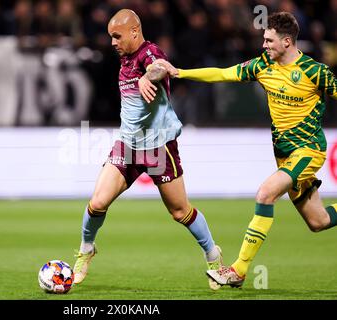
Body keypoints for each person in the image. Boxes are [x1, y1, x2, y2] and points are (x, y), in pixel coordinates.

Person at [144, 12, 337, 288]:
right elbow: (222, 73)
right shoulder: (262, 67)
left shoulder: (316, 72)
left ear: (286, 42)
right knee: (318, 221)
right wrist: (180, 72)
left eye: (269, 40)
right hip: (284, 156)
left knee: (265, 194)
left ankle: (238, 270)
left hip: (308, 151)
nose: (264, 45)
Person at [73, 8, 223, 290]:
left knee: (180, 212)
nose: (113, 42)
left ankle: (213, 255)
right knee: (97, 203)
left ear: (134, 30)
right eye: (110, 37)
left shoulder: (148, 53)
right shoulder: (125, 59)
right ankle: (86, 250)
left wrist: (146, 77)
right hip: (127, 145)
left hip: (158, 148)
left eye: (117, 36)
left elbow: (161, 67)